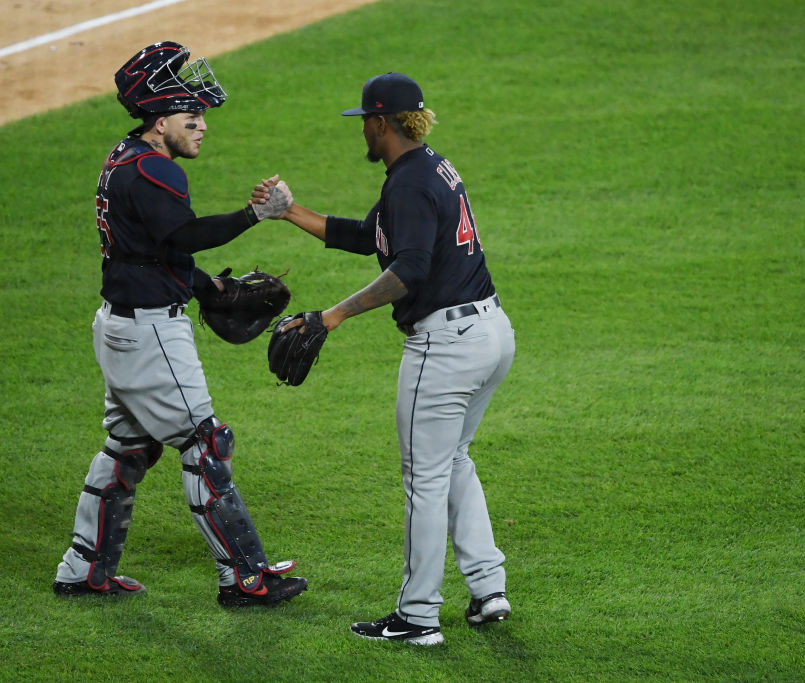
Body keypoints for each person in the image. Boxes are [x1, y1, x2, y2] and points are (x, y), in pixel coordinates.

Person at [255, 72, 514, 644]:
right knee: (453, 461)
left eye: (365, 124)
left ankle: (418, 616)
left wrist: (332, 315)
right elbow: (369, 235)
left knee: (424, 477)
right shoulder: (428, 168)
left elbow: (410, 269)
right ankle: (488, 587)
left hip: (446, 346)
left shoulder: (407, 184)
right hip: (491, 331)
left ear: (380, 123)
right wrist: (289, 212)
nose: (363, 134)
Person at [52, 41, 307, 608]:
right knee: (207, 445)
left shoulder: (125, 157)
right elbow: (182, 239)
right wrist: (253, 216)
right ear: (161, 119)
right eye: (193, 117)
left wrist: (208, 287)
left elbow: (149, 253)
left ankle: (84, 569)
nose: (202, 127)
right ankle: (244, 577)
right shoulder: (153, 171)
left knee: (129, 447)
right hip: (149, 333)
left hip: (120, 326)